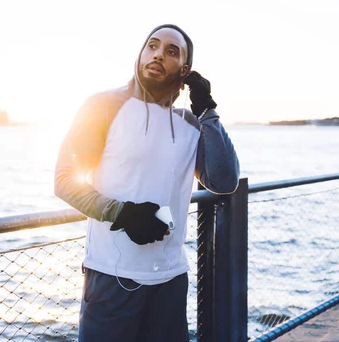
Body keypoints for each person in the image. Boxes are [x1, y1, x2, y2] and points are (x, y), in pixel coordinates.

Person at [54, 24, 240, 341]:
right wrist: (123, 213)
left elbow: (224, 180)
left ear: (184, 70)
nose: (158, 54)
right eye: (152, 46)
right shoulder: (104, 106)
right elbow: (65, 180)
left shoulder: (190, 122)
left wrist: (207, 109)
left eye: (171, 51)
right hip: (112, 277)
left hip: (170, 279)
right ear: (140, 54)